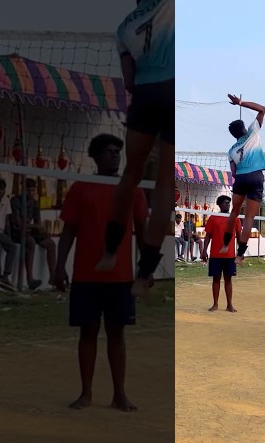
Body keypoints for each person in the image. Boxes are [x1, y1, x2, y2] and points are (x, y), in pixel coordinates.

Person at [54, 133, 149, 412]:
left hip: (120, 277)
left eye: (117, 151)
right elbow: (68, 231)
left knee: (117, 334)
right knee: (88, 333)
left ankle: (120, 394)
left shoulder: (132, 188)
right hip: (86, 275)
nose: (115, 156)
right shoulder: (82, 188)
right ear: (95, 156)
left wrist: (146, 269)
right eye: (109, 152)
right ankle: (86, 393)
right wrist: (59, 267)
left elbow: (142, 232)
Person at [97, 0, 175, 299]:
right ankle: (144, 275)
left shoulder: (123, 28)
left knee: (130, 174)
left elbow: (128, 82)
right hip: (172, 88)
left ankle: (109, 251)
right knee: (164, 183)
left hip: (145, 95)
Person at [218, 94, 265, 266]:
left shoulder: (231, 150)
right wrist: (240, 103)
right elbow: (262, 108)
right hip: (255, 176)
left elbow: (233, 173)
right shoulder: (253, 132)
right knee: (248, 218)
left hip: (240, 178)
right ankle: (239, 256)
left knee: (234, 212)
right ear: (244, 129)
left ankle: (225, 245)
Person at [9, 178, 57, 290]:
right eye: (29, 190)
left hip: (30, 229)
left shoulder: (34, 203)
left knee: (51, 244)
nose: (31, 193)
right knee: (30, 242)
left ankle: (53, 276)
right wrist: (35, 226)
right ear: (23, 190)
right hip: (17, 231)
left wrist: (41, 229)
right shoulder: (15, 201)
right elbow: (18, 223)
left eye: (32, 190)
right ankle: (30, 278)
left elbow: (37, 222)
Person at [202, 195, 242, 312]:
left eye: (229, 203)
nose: (227, 205)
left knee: (228, 279)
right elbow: (208, 236)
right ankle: (215, 304)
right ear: (219, 204)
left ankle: (229, 305)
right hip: (215, 254)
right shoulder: (213, 218)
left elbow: (239, 237)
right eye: (225, 203)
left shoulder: (235, 218)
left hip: (229, 255)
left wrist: (241, 252)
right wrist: (204, 251)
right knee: (216, 279)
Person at [0, 177, 16, 291]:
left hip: (0, 231)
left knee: (12, 247)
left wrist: (8, 236)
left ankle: (6, 275)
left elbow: (7, 220)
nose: (0, 192)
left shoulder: (6, 201)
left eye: (2, 190)